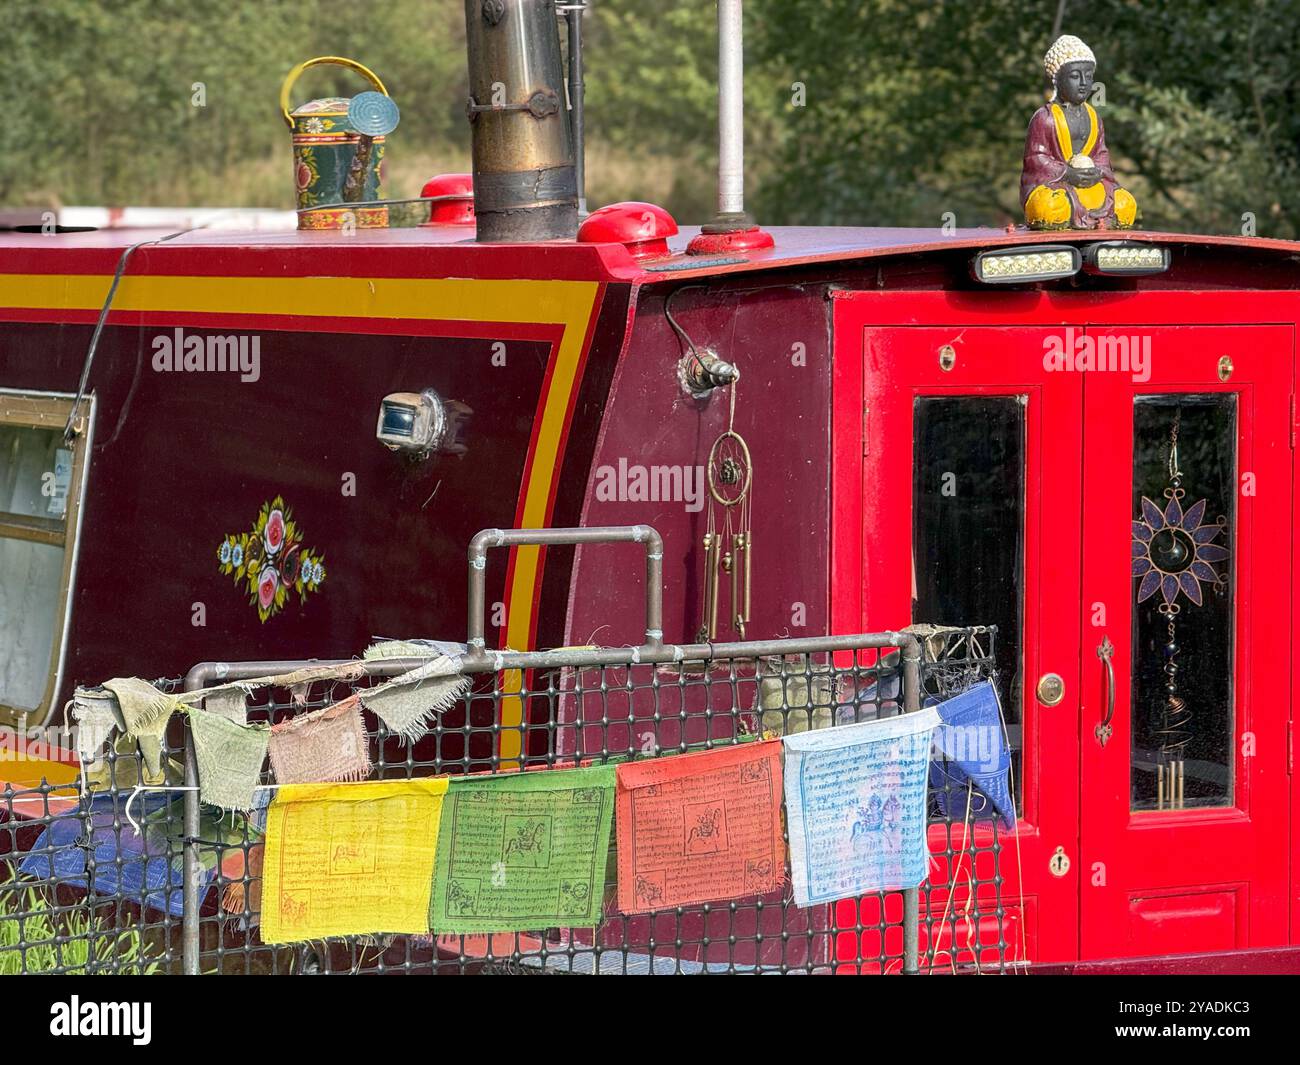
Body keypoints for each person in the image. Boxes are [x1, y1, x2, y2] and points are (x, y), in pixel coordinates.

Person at [1020, 35, 1137, 229]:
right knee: (1047, 207)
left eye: (1089, 76)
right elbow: (1036, 158)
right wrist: (1067, 173)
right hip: (1058, 187)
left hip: (1091, 186)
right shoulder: (1045, 117)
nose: (1083, 83)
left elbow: (1101, 153)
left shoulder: (1093, 117)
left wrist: (1097, 172)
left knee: (1125, 203)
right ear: (1057, 79)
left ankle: (1096, 216)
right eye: (1075, 76)